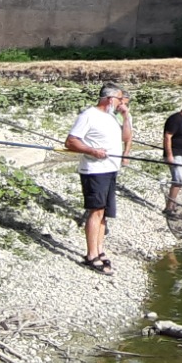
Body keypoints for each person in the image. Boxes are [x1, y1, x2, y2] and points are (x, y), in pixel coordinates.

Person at [64, 82, 132, 275]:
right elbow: (71, 141)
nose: (121, 103)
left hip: (110, 170)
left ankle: (100, 250)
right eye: (119, 99)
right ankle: (91, 255)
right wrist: (92, 150)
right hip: (94, 170)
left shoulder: (112, 116)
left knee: (103, 213)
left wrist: (126, 116)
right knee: (95, 211)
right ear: (110, 99)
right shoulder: (88, 116)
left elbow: (125, 137)